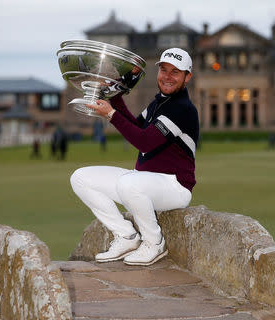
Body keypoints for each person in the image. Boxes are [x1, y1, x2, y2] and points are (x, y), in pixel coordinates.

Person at [70, 48, 199, 266]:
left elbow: (144, 143)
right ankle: (126, 236)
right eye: (164, 70)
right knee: (80, 177)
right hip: (145, 181)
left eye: (175, 72)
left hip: (174, 186)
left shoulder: (183, 108)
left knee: (129, 183)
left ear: (187, 77)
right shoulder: (160, 102)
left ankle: (154, 242)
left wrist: (110, 114)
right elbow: (136, 127)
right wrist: (116, 95)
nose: (167, 76)